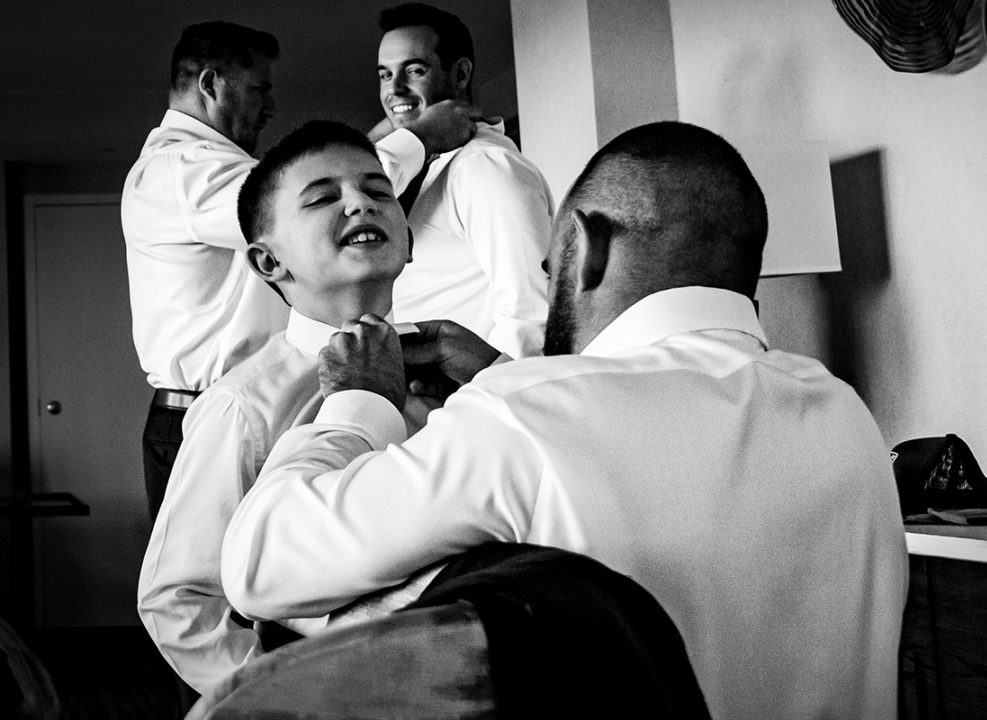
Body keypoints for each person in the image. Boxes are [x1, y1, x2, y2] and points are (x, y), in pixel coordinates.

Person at [220, 121, 909, 719]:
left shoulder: (526, 414)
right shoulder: (843, 415)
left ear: (586, 246)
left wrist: (359, 402)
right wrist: (505, 376)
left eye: (550, 267)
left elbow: (261, 563)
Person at [123, 20, 479, 522]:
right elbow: (283, 207)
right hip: (210, 416)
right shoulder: (178, 170)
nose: (270, 106)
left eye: (375, 190)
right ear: (210, 84)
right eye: (260, 89)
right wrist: (415, 139)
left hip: (304, 389)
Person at [137, 120, 440, 696]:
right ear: (269, 263)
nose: (360, 203)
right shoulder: (242, 408)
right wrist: (293, 695)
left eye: (379, 191)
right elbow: (179, 601)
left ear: (407, 233)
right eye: (324, 198)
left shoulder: (458, 371)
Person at [373, 2, 554, 359]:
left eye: (413, 70)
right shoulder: (420, 167)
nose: (395, 88)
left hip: (472, 396)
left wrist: (480, 401)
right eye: (384, 75)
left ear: (460, 74)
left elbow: (532, 318)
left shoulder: (485, 166)